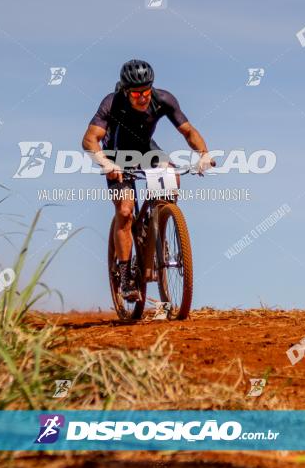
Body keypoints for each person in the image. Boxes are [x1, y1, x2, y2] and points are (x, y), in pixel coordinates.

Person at [81, 59, 214, 302]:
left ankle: (159, 222)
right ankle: (125, 274)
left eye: (146, 91)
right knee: (125, 210)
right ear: (125, 90)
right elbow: (90, 140)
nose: (142, 97)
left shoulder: (163, 99)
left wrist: (203, 154)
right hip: (116, 157)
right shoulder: (112, 103)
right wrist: (105, 163)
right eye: (136, 93)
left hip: (146, 151)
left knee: (172, 175)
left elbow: (188, 131)